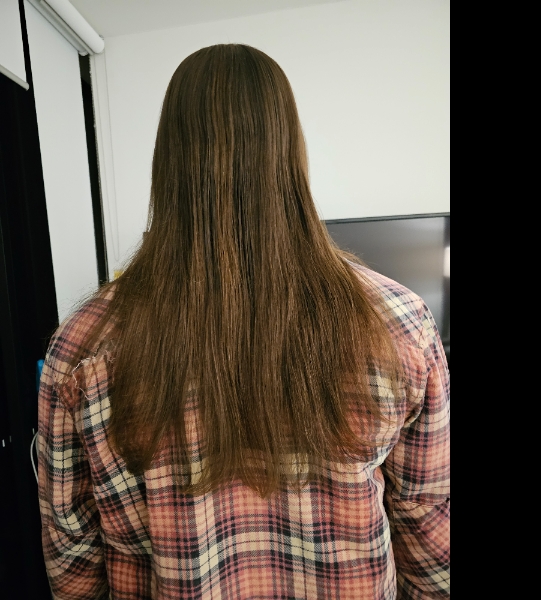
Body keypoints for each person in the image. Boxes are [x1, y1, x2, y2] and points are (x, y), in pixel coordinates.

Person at [37, 44, 450, 599]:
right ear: (291, 154)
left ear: (168, 162)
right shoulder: (399, 325)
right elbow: (427, 527)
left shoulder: (82, 348)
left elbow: (72, 560)